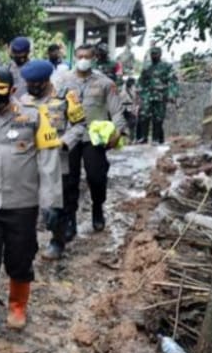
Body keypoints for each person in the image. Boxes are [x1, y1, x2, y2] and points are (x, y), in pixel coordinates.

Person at [0, 65, 63, 351]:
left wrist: (51, 202)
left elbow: (49, 161)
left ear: (13, 91)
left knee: (20, 258)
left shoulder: (33, 117)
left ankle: (17, 307)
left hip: (22, 203)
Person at [57, 43, 127, 236]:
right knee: (68, 180)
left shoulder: (105, 83)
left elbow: (116, 109)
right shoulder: (64, 81)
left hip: (93, 137)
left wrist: (118, 131)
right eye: (79, 56)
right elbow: (55, 109)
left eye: (87, 56)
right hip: (69, 137)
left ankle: (98, 207)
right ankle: (70, 219)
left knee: (96, 176)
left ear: (94, 58)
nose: (82, 60)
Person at [20, 60, 86, 261]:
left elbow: (80, 125)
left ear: (46, 81)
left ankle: (57, 240)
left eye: (36, 84)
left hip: (59, 161)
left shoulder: (66, 97)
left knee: (56, 206)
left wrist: (65, 142)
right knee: (27, 205)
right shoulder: (23, 102)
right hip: (29, 161)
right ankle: (28, 242)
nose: (33, 88)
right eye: (29, 84)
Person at [135, 46, 178, 144]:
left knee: (158, 117)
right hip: (147, 95)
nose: (154, 56)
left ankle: (156, 139)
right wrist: (139, 91)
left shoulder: (167, 66)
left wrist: (172, 94)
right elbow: (141, 81)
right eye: (152, 54)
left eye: (155, 54)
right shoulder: (147, 68)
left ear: (160, 54)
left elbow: (173, 81)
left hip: (161, 95)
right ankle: (143, 137)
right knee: (144, 115)